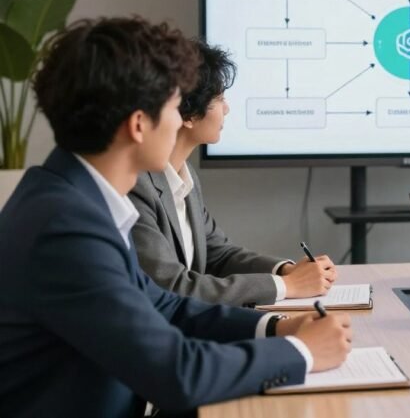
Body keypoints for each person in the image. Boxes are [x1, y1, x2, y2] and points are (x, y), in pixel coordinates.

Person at [0, 18, 352, 418]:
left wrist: (276, 328)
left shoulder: (75, 198)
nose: (179, 116)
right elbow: (177, 372)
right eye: (172, 105)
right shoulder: (65, 229)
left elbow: (165, 306)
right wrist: (302, 352)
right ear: (137, 125)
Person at [130, 40, 334, 306]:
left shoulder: (185, 174)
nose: (227, 109)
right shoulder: (137, 185)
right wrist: (286, 286)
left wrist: (285, 271)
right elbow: (170, 286)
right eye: (219, 99)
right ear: (188, 114)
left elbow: (218, 254)